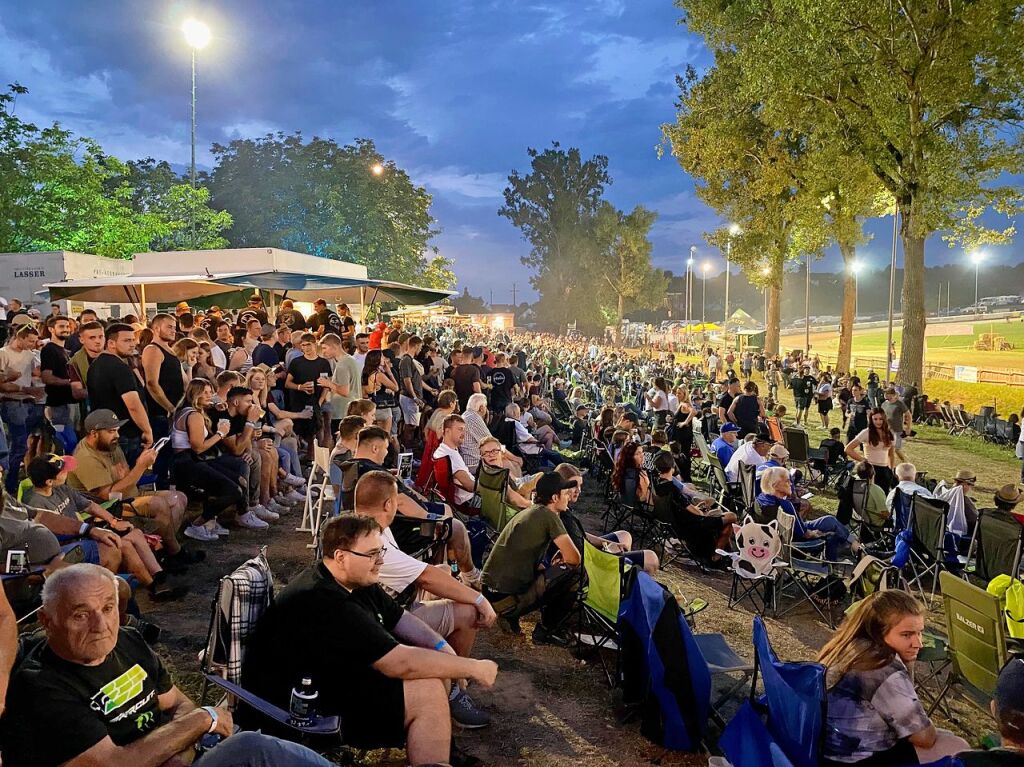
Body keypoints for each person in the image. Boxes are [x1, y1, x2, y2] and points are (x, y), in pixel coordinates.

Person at [1, 564, 334, 767]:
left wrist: (176, 750)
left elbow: (175, 702)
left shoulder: (128, 642)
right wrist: (205, 719)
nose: (101, 625)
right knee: (253, 749)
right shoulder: (42, 685)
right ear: (47, 621)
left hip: (181, 758)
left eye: (108, 607)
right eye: (80, 614)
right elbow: (117, 764)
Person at [241, 515, 495, 766]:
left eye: (381, 551)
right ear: (341, 556)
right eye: (373, 554)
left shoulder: (354, 580)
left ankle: (443, 754)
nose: (381, 560)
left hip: (330, 680)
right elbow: (399, 663)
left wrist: (443, 648)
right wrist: (472, 667)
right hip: (300, 709)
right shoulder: (323, 600)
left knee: (433, 672)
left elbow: (401, 620)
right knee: (425, 691)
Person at [354, 470, 495, 728]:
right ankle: (454, 689)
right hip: (388, 626)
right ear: (389, 504)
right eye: (397, 500)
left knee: (442, 576)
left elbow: (421, 575)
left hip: (385, 612)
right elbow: (426, 577)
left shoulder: (364, 528)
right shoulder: (372, 541)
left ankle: (452, 672)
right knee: (469, 611)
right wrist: (479, 600)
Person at [818, 591, 969, 766]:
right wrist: (906, 667)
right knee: (957, 746)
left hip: (826, 750)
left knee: (945, 736)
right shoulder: (882, 666)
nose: (918, 643)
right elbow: (924, 737)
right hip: (855, 758)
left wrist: (908, 663)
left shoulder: (848, 647)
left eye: (920, 633)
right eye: (906, 635)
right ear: (877, 631)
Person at [23, 455, 187, 601]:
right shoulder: (35, 503)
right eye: (62, 471)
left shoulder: (62, 489)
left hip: (84, 534)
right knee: (123, 544)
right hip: (66, 547)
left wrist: (114, 521)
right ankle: (154, 586)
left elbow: (90, 506)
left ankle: (159, 576)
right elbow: (49, 537)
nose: (67, 472)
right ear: (49, 481)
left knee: (135, 533)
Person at [68, 409, 194, 567]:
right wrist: (140, 467)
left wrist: (136, 471)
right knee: (158, 505)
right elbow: (108, 495)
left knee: (179, 498)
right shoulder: (86, 457)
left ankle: (160, 552)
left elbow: (126, 476)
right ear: (94, 433)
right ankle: (174, 552)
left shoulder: (110, 445)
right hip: (106, 508)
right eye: (111, 431)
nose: (117, 435)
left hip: (129, 493)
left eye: (117, 430)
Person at [482, 472, 581, 646]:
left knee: (551, 570)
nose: (568, 498)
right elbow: (574, 559)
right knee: (575, 574)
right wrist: (561, 564)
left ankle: (511, 617)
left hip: (492, 593)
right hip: (505, 601)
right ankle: (549, 630)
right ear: (555, 497)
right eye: (565, 494)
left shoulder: (533, 511)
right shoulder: (549, 516)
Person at [170, 379, 250, 540]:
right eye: (205, 392)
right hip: (187, 463)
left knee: (241, 481)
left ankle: (209, 521)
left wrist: (215, 405)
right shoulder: (193, 415)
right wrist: (221, 433)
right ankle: (198, 525)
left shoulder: (195, 411)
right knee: (234, 491)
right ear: (195, 394)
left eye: (210, 392)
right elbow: (198, 447)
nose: (210, 395)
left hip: (196, 460)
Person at [757, 466, 859, 561]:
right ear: (776, 486)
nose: (791, 484)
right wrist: (816, 533)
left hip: (784, 536)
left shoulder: (761, 498)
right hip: (796, 545)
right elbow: (805, 534)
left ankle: (853, 543)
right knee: (832, 535)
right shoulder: (785, 506)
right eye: (788, 481)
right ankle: (830, 570)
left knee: (828, 520)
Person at [651, 451, 735, 567]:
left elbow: (683, 508)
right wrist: (702, 512)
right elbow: (694, 512)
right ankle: (717, 557)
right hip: (691, 526)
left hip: (674, 525)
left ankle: (721, 555)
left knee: (726, 522)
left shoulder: (657, 485)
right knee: (732, 516)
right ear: (672, 467)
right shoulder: (672, 489)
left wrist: (698, 509)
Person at [87, 323, 152, 470]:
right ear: (111, 343)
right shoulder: (119, 368)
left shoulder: (96, 365)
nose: (132, 344)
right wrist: (147, 430)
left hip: (106, 433)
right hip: (124, 434)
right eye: (127, 340)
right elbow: (133, 405)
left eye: (133, 340)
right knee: (126, 481)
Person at [0, 324, 44, 492]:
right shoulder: (3, 354)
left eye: (35, 341)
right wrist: (23, 387)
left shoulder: (29, 354)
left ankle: (14, 480)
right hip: (12, 403)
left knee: (23, 444)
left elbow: (36, 374)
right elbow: (2, 385)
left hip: (28, 403)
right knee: (18, 445)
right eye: (30, 341)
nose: (33, 344)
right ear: (20, 338)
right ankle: (9, 484)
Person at [432, 414, 478, 509]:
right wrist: (490, 488)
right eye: (460, 429)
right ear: (447, 431)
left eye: (464, 430)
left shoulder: (442, 451)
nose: (463, 433)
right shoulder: (450, 456)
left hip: (464, 497)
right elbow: (469, 486)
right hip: (471, 501)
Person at [845, 408, 897, 492]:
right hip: (870, 469)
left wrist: (891, 470)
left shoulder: (890, 434)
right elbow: (848, 449)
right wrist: (863, 460)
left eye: (880, 419)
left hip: (885, 470)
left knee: (884, 495)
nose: (878, 422)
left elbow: (891, 454)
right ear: (871, 420)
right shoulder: (866, 432)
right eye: (875, 419)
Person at [39, 315, 74, 430]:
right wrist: (70, 382)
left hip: (68, 403)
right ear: (51, 329)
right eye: (61, 326)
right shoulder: (49, 350)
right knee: (65, 441)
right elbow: (47, 377)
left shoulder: (66, 351)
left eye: (67, 326)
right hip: (57, 405)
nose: (66, 329)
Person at [882, 388, 912, 462]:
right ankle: (887, 463)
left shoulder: (899, 403)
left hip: (897, 430)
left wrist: (908, 427)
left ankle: (905, 462)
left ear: (892, 395)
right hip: (886, 429)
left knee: (897, 449)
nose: (885, 395)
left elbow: (908, 415)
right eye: (884, 393)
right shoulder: (884, 404)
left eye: (887, 394)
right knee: (886, 448)